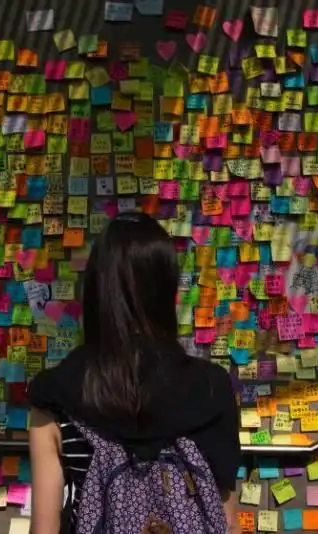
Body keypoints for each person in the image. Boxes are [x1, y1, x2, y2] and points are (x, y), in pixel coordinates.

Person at [28, 212, 241, 534]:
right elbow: (225, 519)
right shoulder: (211, 390)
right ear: (167, 290)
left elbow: (44, 529)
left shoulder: (55, 395)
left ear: (97, 290)